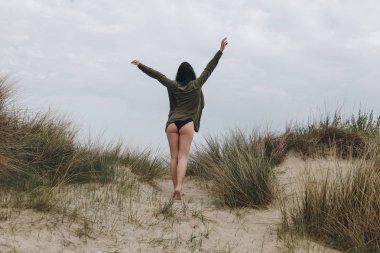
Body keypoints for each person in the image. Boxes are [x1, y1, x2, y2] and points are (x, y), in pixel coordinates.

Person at [131, 37, 228, 200]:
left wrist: (140, 65)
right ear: (191, 74)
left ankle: (175, 189)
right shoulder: (196, 85)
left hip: (172, 124)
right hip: (187, 124)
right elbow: (209, 68)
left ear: (179, 74)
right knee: (183, 157)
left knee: (174, 157)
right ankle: (179, 187)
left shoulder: (172, 85)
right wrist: (220, 51)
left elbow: (157, 75)